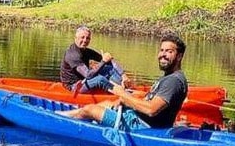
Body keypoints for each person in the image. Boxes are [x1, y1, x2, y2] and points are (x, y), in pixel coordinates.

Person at [60, 34, 188, 130]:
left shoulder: (173, 81)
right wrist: (127, 98)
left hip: (139, 125)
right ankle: (65, 114)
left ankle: (61, 122)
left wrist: (123, 95)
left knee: (90, 110)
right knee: (106, 103)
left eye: (169, 51)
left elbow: (151, 110)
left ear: (179, 56)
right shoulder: (169, 77)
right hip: (139, 118)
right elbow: (151, 102)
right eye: (162, 50)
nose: (163, 54)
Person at [59, 26, 124, 93]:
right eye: (82, 37)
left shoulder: (86, 51)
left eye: (87, 38)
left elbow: (109, 60)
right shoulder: (72, 55)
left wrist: (123, 75)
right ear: (76, 38)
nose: (85, 40)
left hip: (84, 80)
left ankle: (123, 85)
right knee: (100, 79)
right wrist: (103, 61)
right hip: (74, 86)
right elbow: (88, 75)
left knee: (109, 69)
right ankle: (120, 92)